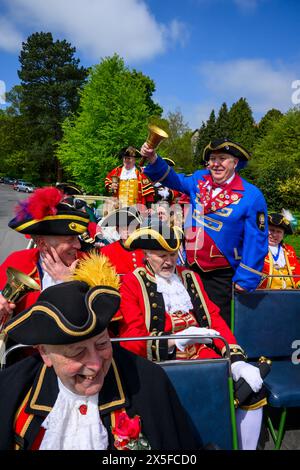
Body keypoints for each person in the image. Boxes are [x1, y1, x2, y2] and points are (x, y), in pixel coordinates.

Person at [0, 253, 199, 450]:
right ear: (44, 353)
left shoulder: (149, 383)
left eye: (102, 344)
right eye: (77, 352)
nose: (95, 364)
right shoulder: (13, 389)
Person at [119, 221, 266, 450]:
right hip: (160, 365)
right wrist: (174, 340)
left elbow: (214, 318)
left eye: (173, 254)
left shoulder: (189, 277)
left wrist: (236, 360)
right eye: (161, 255)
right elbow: (131, 339)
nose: (169, 261)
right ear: (146, 254)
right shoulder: (131, 283)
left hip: (205, 356)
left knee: (253, 390)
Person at [140, 138, 268, 326]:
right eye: (213, 159)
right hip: (191, 270)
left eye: (222, 158)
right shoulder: (199, 179)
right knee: (191, 321)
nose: (216, 164)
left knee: (217, 324)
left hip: (222, 276)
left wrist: (247, 277)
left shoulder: (251, 195)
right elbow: (172, 179)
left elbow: (256, 240)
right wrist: (152, 158)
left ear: (235, 163)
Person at [0, 186, 90, 325]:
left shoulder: (90, 265)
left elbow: (100, 324)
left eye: (77, 238)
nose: (78, 245)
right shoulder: (17, 261)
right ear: (42, 244)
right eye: (70, 239)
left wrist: (69, 284)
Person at [259, 212, 300, 289]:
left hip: (289, 294)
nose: (274, 234)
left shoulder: (289, 250)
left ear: (283, 235)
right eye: (271, 230)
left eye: (279, 232)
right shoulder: (257, 248)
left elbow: (297, 271)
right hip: (264, 294)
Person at [100, 206, 145, 276]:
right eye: (123, 227)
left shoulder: (146, 250)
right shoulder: (106, 251)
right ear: (117, 229)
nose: (127, 231)